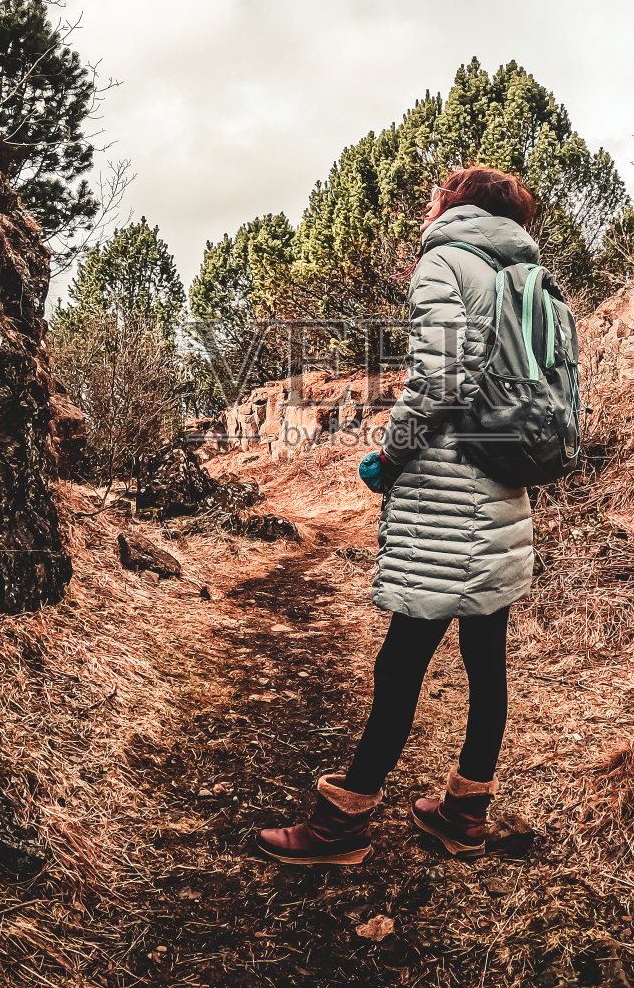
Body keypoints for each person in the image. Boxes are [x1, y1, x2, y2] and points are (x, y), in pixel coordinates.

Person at [256, 166, 539, 866]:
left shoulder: (446, 261)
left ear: (455, 204)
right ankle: (464, 813)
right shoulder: (526, 278)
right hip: (505, 486)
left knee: (402, 660)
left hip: (447, 493)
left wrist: (392, 453)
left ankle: (340, 824)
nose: (426, 205)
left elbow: (438, 378)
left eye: (433, 196)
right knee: (485, 658)